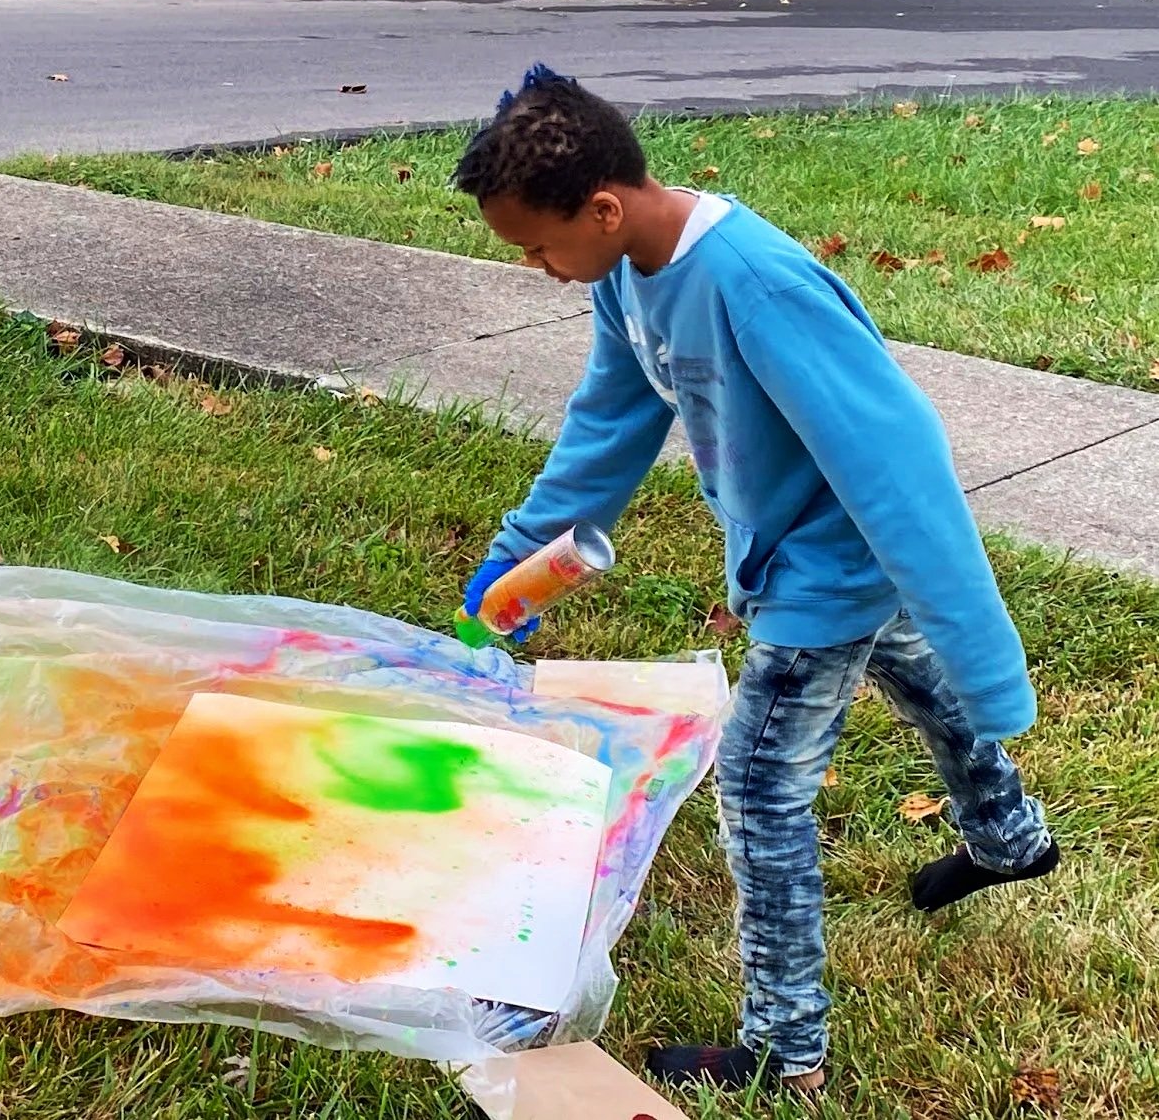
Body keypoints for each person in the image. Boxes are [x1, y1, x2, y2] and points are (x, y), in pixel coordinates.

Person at [452, 65, 1056, 1094]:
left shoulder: (753, 283)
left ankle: (786, 1046)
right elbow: (607, 421)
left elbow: (898, 461)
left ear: (601, 207)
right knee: (908, 672)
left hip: (823, 565)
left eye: (539, 247)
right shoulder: (625, 276)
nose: (540, 269)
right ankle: (1009, 838)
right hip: (791, 551)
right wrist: (521, 548)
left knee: (758, 786)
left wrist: (995, 669)